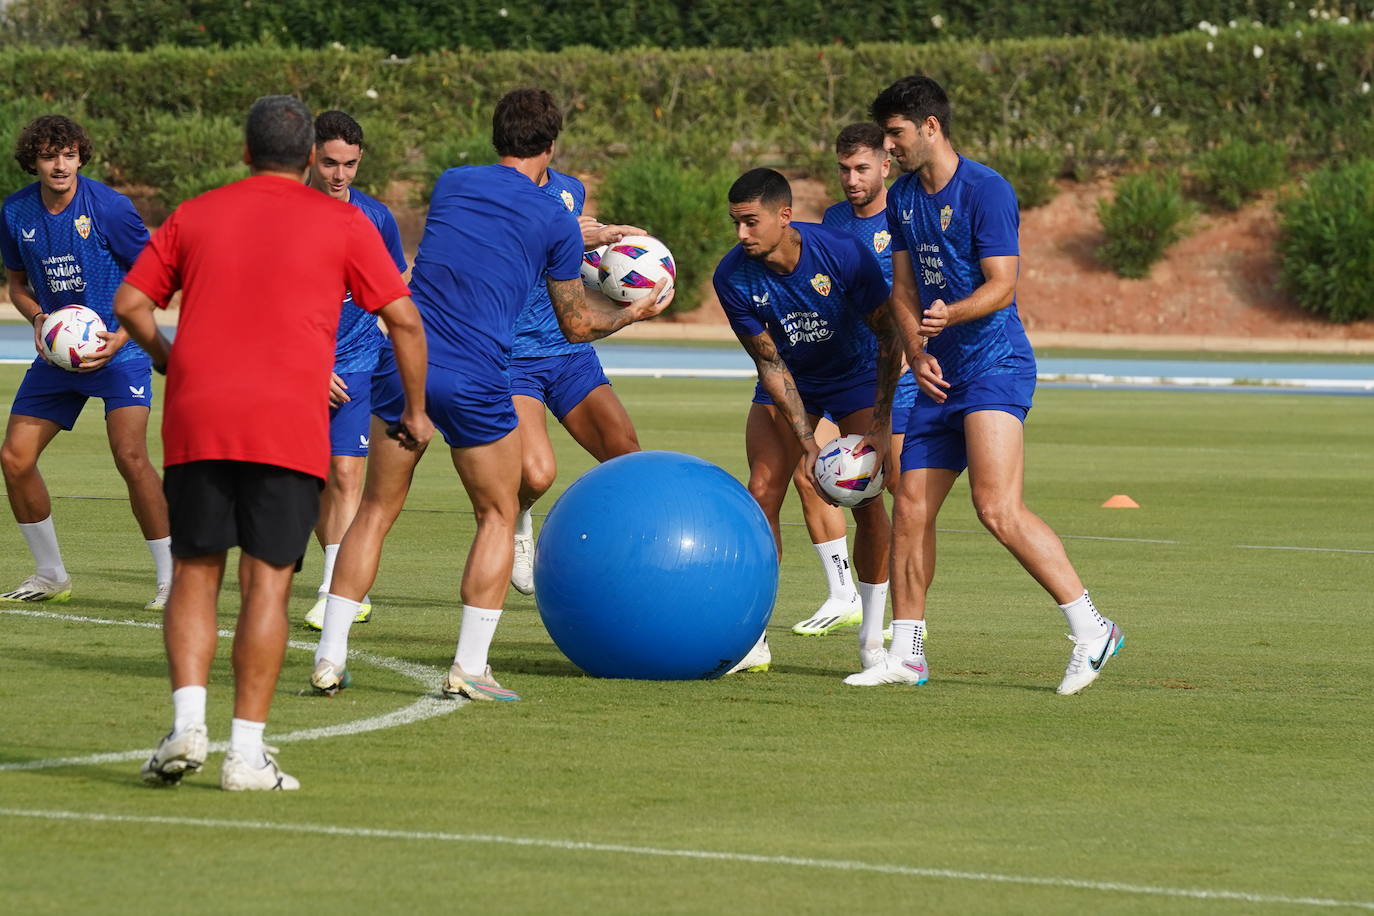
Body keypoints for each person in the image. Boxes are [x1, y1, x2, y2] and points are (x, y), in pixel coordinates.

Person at [308, 88, 671, 702]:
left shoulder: (452, 183)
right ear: (551, 146)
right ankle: (469, 668)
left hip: (405, 364)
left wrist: (576, 235)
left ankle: (329, 657)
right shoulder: (555, 220)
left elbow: (503, 231)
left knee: (375, 510)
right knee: (498, 515)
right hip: (477, 375)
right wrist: (635, 312)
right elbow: (576, 325)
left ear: (496, 138)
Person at [118, 95, 429, 791]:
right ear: (311, 158)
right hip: (287, 423)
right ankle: (246, 755)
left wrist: (167, 357)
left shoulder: (195, 214)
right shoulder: (345, 222)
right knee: (267, 582)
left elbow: (131, 304)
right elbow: (404, 321)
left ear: (245, 153)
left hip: (199, 417)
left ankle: (188, 723)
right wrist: (415, 409)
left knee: (196, 573)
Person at [844, 74, 1124, 694]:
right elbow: (903, 289)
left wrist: (951, 316)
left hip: (994, 365)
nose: (888, 148)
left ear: (931, 128)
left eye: (896, 135)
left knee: (997, 508)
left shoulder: (987, 190)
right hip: (937, 374)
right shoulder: (904, 199)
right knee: (910, 507)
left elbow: (1002, 285)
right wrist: (916, 351)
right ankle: (908, 654)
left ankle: (1091, 627)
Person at [713, 167, 902, 675]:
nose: (741, 235)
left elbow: (890, 338)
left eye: (751, 222)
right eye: (735, 223)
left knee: (866, 495)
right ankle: (753, 639)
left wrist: (881, 424)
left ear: (784, 216)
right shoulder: (730, 277)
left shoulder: (840, 252)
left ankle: (872, 641)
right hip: (792, 377)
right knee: (762, 492)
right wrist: (807, 441)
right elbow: (770, 364)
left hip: (858, 374)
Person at [0, 115, 172, 611]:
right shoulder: (15, 212)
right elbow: (16, 284)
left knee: (130, 456)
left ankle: (171, 576)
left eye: (69, 154)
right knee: (14, 458)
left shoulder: (109, 208)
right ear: (33, 159)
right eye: (50, 155)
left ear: (81, 157)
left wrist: (122, 336)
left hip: (119, 347)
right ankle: (50, 574)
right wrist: (37, 319)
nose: (60, 164)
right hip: (59, 354)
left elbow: (155, 273)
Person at [787, 122, 918, 639]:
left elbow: (915, 290)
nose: (851, 178)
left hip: (895, 375)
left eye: (861, 168)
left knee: (893, 495)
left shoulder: (904, 218)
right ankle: (843, 594)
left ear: (886, 165)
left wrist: (910, 351)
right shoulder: (835, 219)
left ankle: (900, 620)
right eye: (843, 168)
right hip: (844, 370)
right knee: (811, 473)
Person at [506, 166, 647, 596]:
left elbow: (575, 259)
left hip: (570, 354)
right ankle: (516, 518)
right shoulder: (495, 193)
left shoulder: (572, 190)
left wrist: (616, 247)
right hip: (515, 359)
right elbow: (508, 251)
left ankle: (635, 559)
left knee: (631, 463)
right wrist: (567, 233)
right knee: (535, 474)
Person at [300, 110, 409, 630]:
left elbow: (392, 285)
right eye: (328, 163)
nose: (339, 175)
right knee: (308, 478)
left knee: (346, 473)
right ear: (310, 158)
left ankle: (334, 594)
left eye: (349, 164)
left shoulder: (376, 217)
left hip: (360, 360)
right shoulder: (284, 216)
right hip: (295, 364)